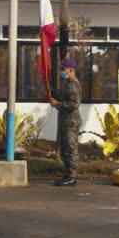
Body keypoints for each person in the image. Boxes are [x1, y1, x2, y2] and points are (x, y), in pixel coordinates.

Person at [50, 58, 82, 186]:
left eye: (63, 69)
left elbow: (74, 104)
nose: (61, 72)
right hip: (64, 121)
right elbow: (64, 97)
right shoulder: (67, 83)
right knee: (64, 149)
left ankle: (72, 177)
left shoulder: (73, 84)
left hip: (71, 122)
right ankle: (68, 174)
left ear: (70, 70)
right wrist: (53, 93)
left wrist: (57, 104)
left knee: (70, 148)